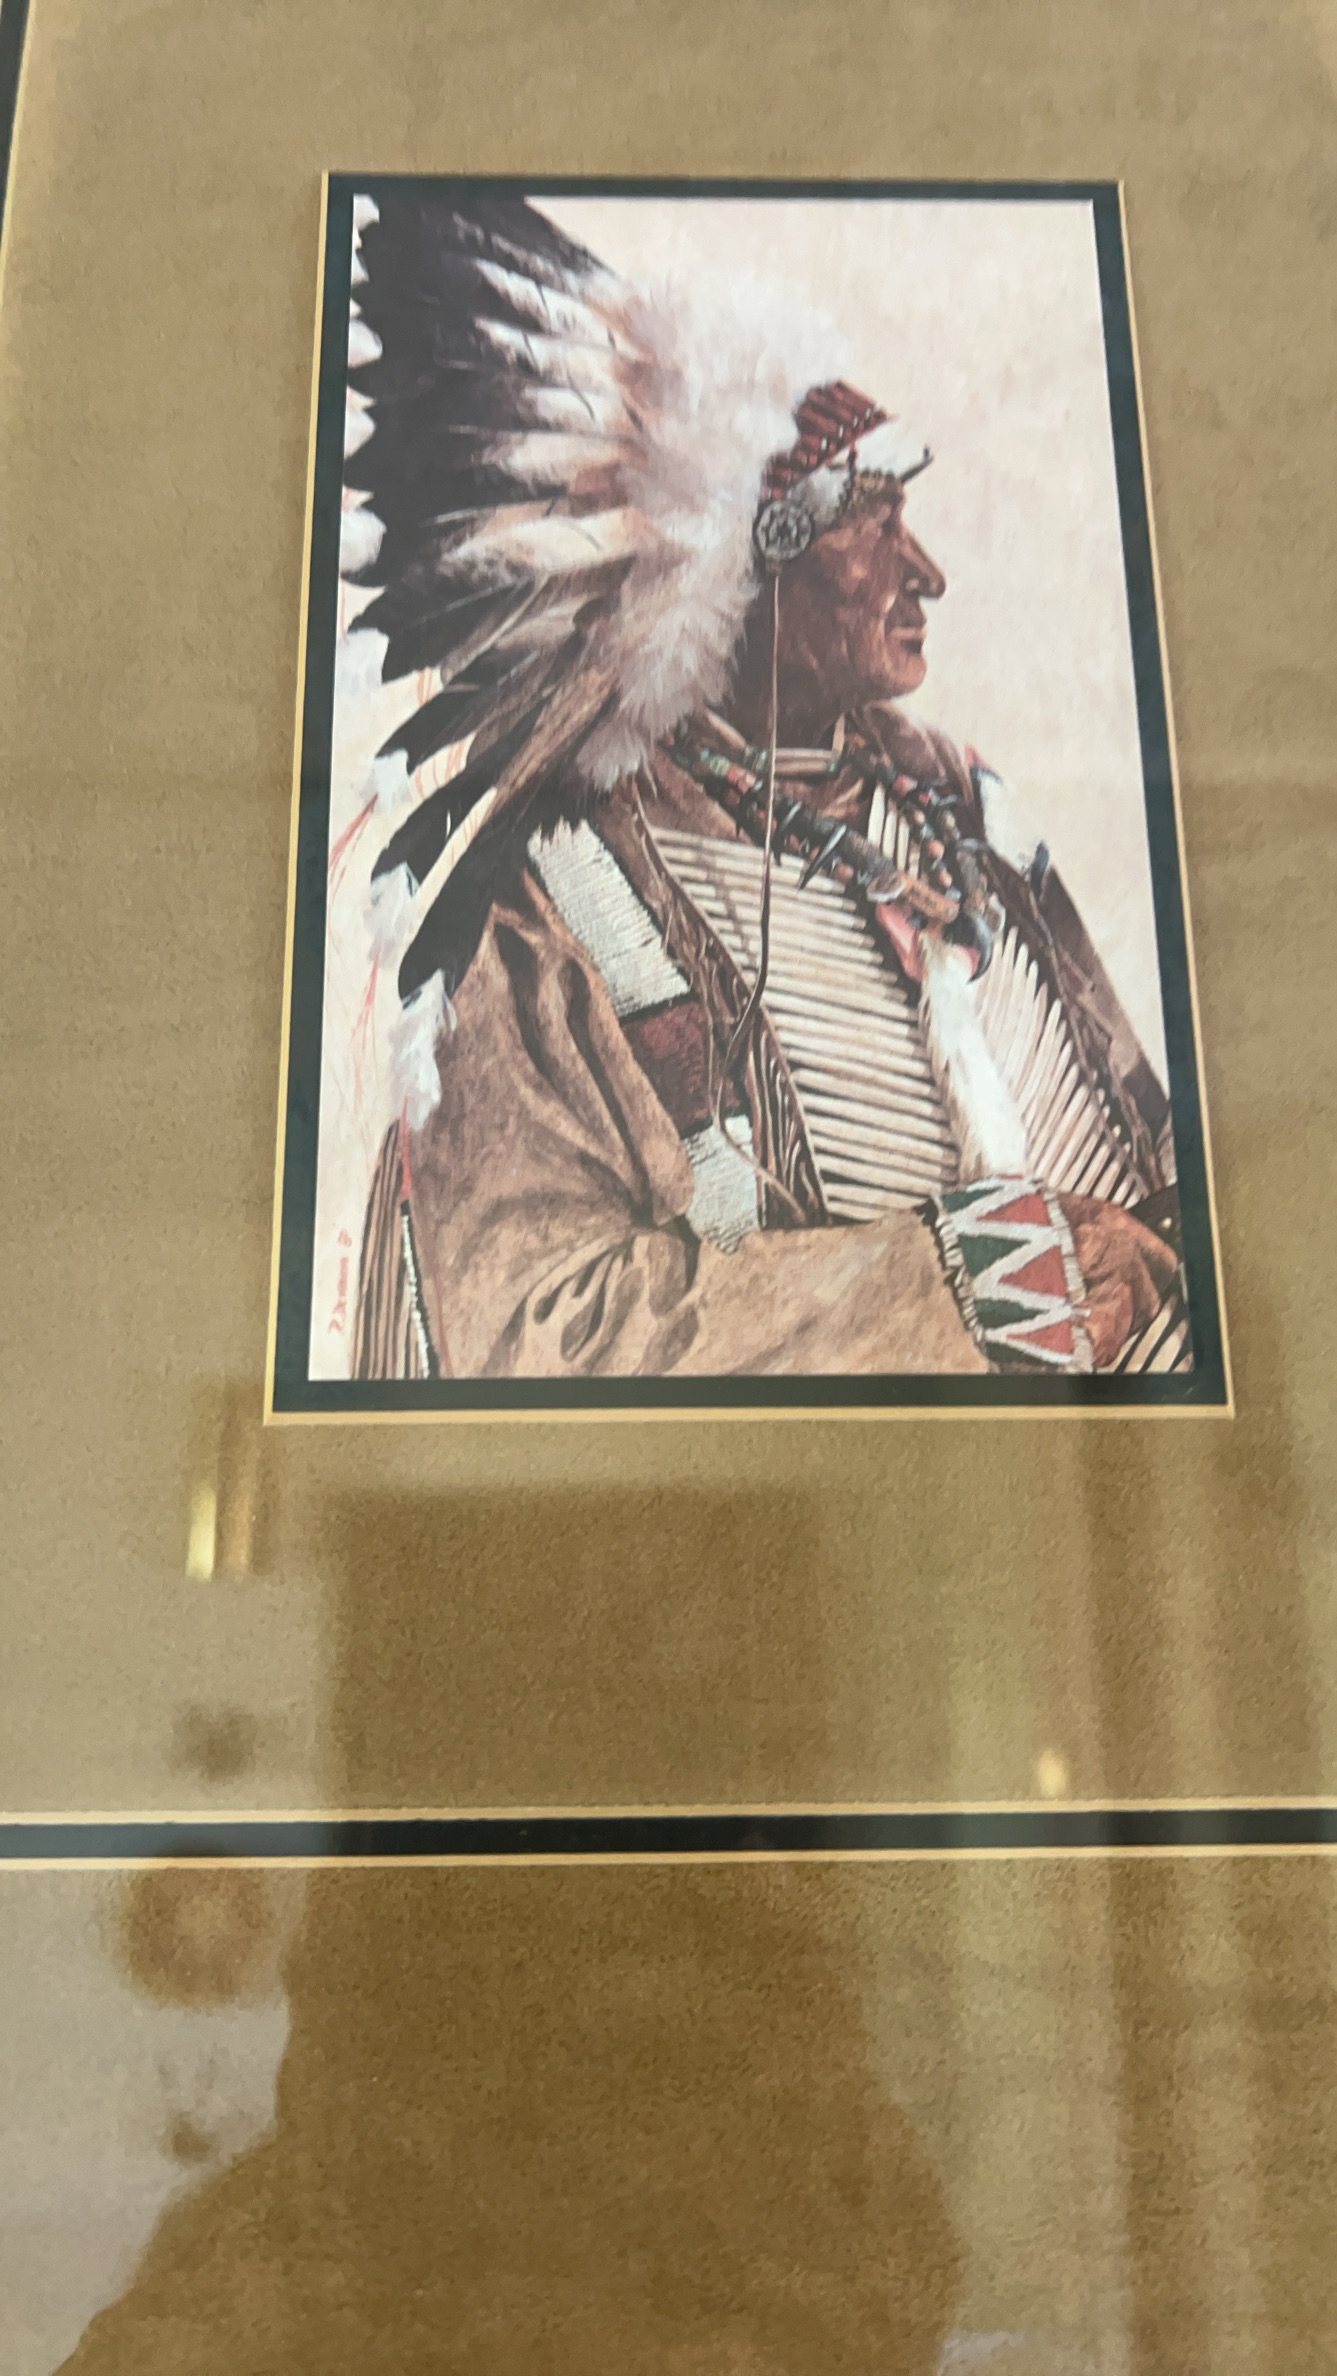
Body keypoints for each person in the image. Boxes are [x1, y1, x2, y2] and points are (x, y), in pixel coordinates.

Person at [342, 198, 1180, 1385]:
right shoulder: (546, 904)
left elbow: (1154, 1154)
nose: (925, 572)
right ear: (740, 568)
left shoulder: (961, 810)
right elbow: (534, 1332)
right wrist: (943, 1288)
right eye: (871, 526)